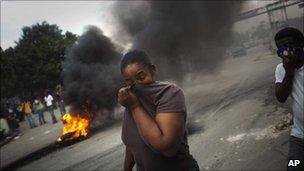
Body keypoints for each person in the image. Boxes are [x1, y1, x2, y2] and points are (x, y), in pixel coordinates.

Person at [118, 50, 199, 171]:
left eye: (141, 77)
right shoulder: (131, 97)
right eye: (130, 82)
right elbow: (132, 143)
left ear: (152, 70)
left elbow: (165, 146)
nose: (137, 85)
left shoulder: (169, 93)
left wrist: (135, 107)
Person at [274, 27, 304, 171]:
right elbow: (280, 97)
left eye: (290, 48)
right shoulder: (281, 69)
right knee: (294, 166)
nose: (287, 54)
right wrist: (289, 72)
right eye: (282, 51)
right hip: (299, 137)